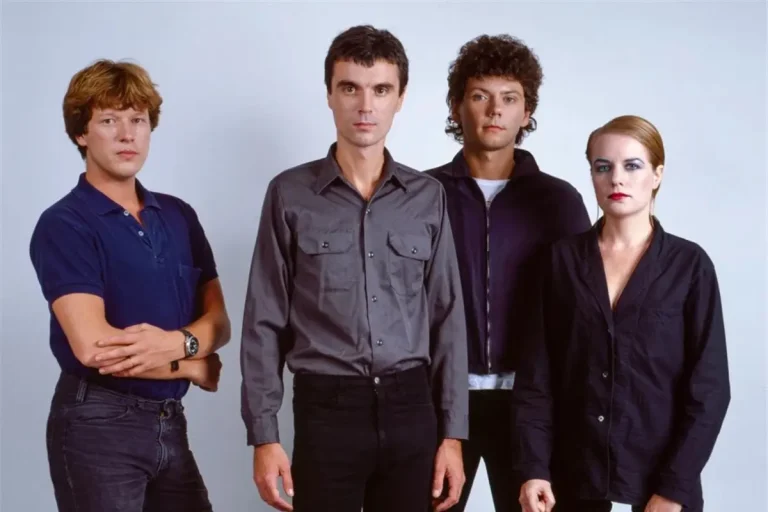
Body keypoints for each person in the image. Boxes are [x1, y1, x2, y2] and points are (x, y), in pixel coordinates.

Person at [240, 25, 468, 512]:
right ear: (329, 95)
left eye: (381, 89)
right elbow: (263, 321)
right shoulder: (289, 194)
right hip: (326, 411)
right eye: (350, 88)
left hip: (413, 409)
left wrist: (452, 435)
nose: (366, 105)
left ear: (400, 98)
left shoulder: (428, 198)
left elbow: (447, 317)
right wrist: (264, 436)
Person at [29, 59, 231, 512]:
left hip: (169, 421)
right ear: (82, 133)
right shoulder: (65, 224)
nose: (127, 134)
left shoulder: (179, 215)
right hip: (97, 422)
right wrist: (192, 366)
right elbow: (95, 349)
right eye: (109, 120)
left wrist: (176, 342)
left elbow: (219, 321)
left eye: (138, 120)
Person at [512, 115, 731, 512]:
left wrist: (674, 489)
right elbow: (536, 379)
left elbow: (710, 391)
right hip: (570, 478)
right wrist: (533, 468)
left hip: (659, 482)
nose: (617, 179)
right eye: (603, 167)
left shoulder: (690, 265)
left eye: (632, 166)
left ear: (657, 174)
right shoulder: (560, 261)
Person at [425, 34, 591, 511]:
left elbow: (580, 308)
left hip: (532, 406)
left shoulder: (559, 202)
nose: (494, 110)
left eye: (509, 98)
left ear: (527, 110)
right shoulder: (422, 195)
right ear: (457, 108)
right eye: (480, 96)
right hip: (442, 402)